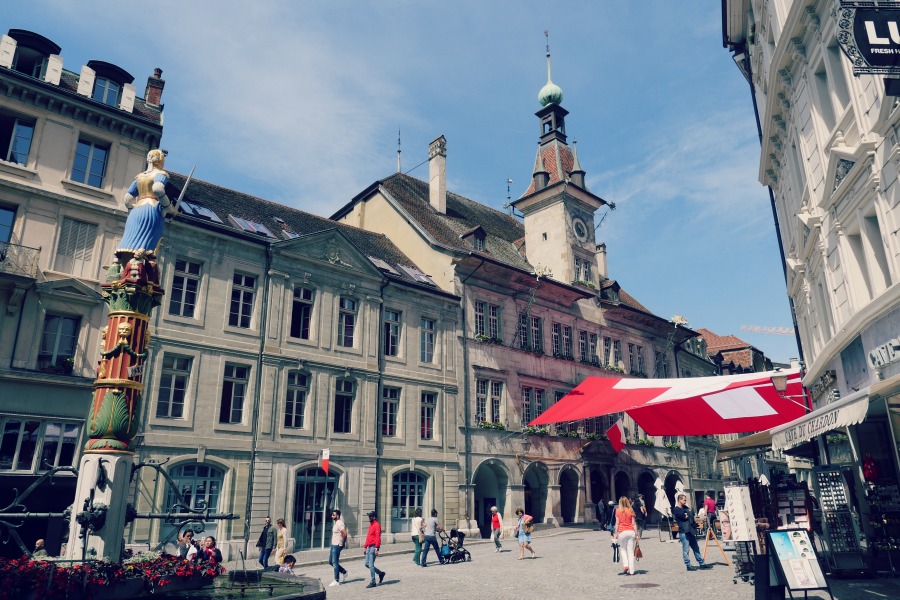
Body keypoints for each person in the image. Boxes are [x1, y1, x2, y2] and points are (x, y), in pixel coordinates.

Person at [120, 148, 176, 257]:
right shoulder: (161, 174)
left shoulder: (139, 177)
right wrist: (169, 208)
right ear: (160, 160)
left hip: (135, 212)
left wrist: (131, 209)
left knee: (129, 242)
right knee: (147, 245)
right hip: (150, 209)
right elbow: (158, 189)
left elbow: (127, 199)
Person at [672, 494, 710, 571]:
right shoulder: (676, 509)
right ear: (679, 500)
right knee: (686, 549)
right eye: (684, 500)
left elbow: (691, 515)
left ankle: (701, 563)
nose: (685, 501)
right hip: (684, 531)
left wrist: (688, 516)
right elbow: (684, 517)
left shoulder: (686, 508)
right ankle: (688, 565)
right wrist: (686, 515)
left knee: (696, 548)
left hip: (691, 530)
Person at [612, 497, 638, 576]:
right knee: (630, 551)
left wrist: (615, 534)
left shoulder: (617, 510)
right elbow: (634, 523)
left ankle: (626, 565)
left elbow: (617, 523)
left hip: (622, 532)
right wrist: (636, 534)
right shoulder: (631, 510)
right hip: (631, 532)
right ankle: (632, 571)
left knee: (623, 549)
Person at [363, 511, 385, 588]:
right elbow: (368, 537)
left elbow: (378, 537)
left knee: (371, 565)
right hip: (369, 547)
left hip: (373, 547)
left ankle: (373, 582)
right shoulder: (371, 525)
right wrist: (365, 547)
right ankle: (380, 573)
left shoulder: (376, 525)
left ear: (374, 517)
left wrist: (377, 548)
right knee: (367, 564)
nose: (369, 518)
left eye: (370, 516)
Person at [329, 509, 348, 587]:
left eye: (333, 515)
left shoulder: (340, 523)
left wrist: (342, 544)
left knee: (335, 562)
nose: (332, 516)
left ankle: (336, 580)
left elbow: (345, 533)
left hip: (337, 545)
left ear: (337, 515)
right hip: (333, 544)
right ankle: (344, 572)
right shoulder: (336, 523)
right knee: (330, 561)